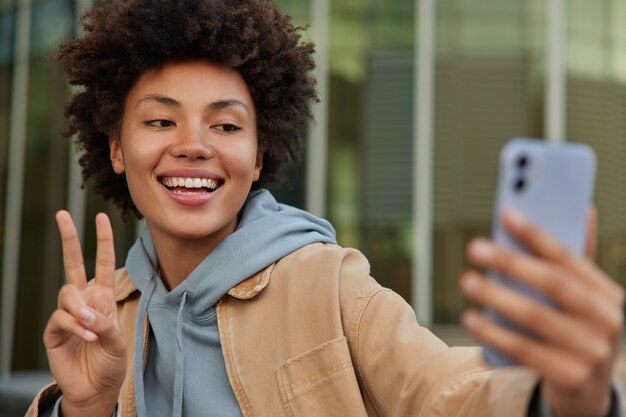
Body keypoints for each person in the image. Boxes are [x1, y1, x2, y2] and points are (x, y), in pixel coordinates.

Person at [26, 0, 624, 416]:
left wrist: (561, 398)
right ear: (116, 149)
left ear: (258, 156)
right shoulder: (104, 319)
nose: (194, 144)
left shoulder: (329, 285)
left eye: (226, 125)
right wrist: (80, 409)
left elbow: (446, 392)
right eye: (160, 120)